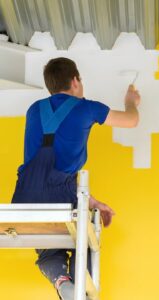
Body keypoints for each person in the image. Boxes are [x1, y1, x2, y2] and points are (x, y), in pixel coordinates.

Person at [11, 57, 140, 299]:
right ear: (75, 80)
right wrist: (131, 102)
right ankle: (81, 289)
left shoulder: (34, 110)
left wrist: (94, 202)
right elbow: (131, 120)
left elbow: (48, 175)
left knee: (49, 250)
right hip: (60, 193)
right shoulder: (87, 108)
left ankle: (63, 283)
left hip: (25, 195)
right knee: (87, 236)